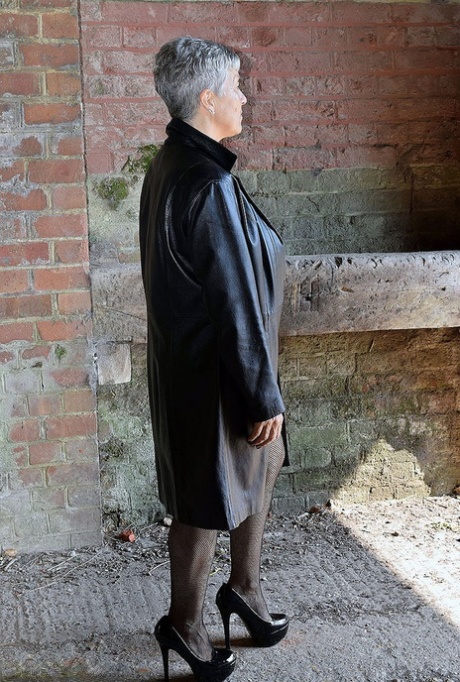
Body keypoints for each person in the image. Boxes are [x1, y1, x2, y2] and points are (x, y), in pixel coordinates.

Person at [139, 36, 289, 682]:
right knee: (204, 502)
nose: (244, 96)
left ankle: (244, 594)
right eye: (235, 87)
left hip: (187, 368)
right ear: (206, 99)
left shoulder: (171, 163)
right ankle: (186, 627)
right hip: (216, 376)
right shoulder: (207, 184)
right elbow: (234, 302)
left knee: (259, 464)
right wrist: (261, 395)